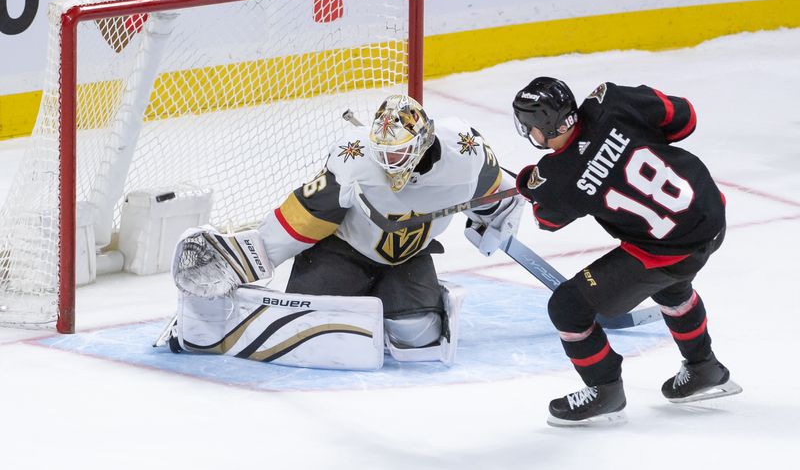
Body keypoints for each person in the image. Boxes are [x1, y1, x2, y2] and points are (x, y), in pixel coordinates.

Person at [159, 94, 524, 369]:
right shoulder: (356, 164)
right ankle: (368, 294)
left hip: (409, 256)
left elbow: (494, 188)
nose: (387, 162)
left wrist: (498, 217)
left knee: (417, 337)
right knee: (311, 329)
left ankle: (402, 297)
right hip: (342, 251)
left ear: (422, 142)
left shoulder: (466, 153)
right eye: (382, 152)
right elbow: (303, 216)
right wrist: (246, 259)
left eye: (397, 154)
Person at [511, 77, 741, 426]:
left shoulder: (557, 175)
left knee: (568, 307)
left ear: (543, 127)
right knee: (670, 282)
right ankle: (703, 367)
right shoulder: (611, 101)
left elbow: (548, 219)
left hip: (669, 247)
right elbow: (685, 118)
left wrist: (531, 183)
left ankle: (604, 389)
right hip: (709, 212)